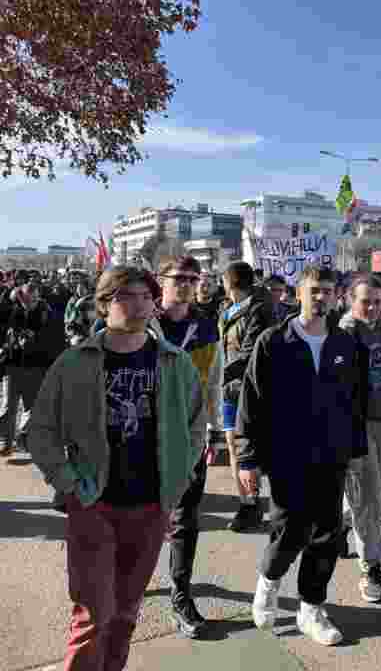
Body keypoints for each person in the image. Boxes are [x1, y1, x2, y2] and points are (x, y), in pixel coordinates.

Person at [28, 266, 203, 671]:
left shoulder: (174, 362)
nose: (139, 304)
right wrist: (69, 482)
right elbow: (40, 431)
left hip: (151, 506)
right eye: (127, 296)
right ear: (104, 304)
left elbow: (197, 426)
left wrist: (180, 476)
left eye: (146, 296)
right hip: (94, 504)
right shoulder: (74, 362)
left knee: (125, 615)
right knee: (93, 616)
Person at [235, 265, 366, 646]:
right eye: (314, 290)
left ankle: (311, 607)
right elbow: (251, 405)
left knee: (327, 534)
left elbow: (353, 403)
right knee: (290, 528)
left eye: (327, 291)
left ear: (335, 295)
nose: (320, 297)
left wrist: (356, 451)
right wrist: (247, 460)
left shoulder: (344, 344)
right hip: (287, 455)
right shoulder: (273, 341)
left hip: (332, 455)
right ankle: (268, 581)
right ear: (299, 292)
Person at [154, 256, 224, 639]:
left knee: (185, 519)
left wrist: (211, 431)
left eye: (191, 278)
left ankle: (181, 595)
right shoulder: (144, 323)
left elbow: (213, 381)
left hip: (191, 436)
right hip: (144, 438)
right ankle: (125, 581)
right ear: (161, 281)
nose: (185, 284)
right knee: (141, 517)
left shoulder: (206, 327)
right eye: (178, 278)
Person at [338, 274, 381, 603]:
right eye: (366, 301)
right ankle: (371, 566)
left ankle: (338, 523)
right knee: (369, 503)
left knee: (370, 493)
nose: (373, 307)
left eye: (378, 301)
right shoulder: (343, 335)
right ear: (350, 300)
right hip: (357, 427)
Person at [220, 261, 275, 532]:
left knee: (251, 445)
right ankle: (247, 501)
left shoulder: (260, 309)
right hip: (229, 389)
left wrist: (221, 374)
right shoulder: (226, 310)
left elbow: (251, 352)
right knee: (232, 443)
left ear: (228, 282)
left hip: (250, 387)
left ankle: (256, 502)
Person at [1, 282, 65, 454]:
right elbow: (7, 334)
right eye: (24, 299)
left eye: (31, 299)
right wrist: (12, 342)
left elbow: (55, 342)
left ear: (38, 297)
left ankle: (26, 439)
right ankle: (7, 443)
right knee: (9, 406)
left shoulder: (48, 314)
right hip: (13, 364)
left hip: (36, 367)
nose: (27, 303)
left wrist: (34, 340)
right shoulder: (16, 311)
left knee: (32, 408)